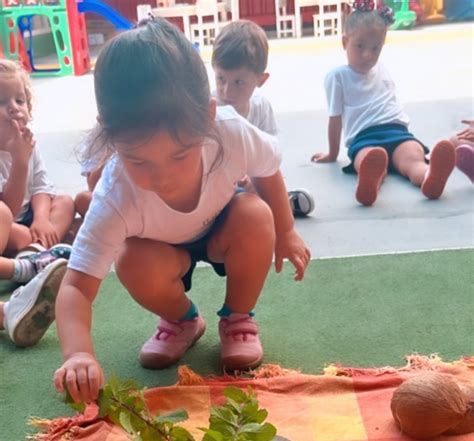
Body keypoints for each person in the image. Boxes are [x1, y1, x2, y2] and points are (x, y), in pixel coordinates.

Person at [53, 19, 310, 404]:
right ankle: (182, 320)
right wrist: (78, 354)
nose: (163, 177)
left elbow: (268, 169)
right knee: (130, 259)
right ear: (110, 136)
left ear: (208, 116)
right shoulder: (114, 195)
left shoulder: (231, 131)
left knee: (257, 216)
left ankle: (238, 317)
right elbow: (74, 286)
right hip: (159, 249)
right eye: (139, 161)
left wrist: (287, 231)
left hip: (225, 226)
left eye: (179, 155)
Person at [311, 0, 456, 206]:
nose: (367, 54)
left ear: (382, 46)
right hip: (364, 137)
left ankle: (429, 177)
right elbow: (335, 119)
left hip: (397, 132)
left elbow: (391, 104)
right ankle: (373, 178)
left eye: (375, 48)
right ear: (345, 42)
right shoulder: (337, 76)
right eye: (359, 45)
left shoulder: (382, 69)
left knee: (412, 159)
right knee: (368, 157)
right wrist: (332, 154)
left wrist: (334, 155)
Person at [212, 20, 315, 218]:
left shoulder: (261, 107)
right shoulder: (210, 108)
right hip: (217, 192)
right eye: (220, 78)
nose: (227, 90)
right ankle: (285, 204)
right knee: (245, 212)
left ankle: (282, 203)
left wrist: (255, 179)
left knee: (258, 201)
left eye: (239, 82)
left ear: (261, 80)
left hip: (253, 185)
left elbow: (272, 156)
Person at [0, 59, 75, 252]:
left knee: (65, 202)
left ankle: (40, 249)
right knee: (21, 235)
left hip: (28, 216)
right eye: (1, 102)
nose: (14, 108)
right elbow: (8, 210)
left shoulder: (28, 142)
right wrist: (20, 161)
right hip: (7, 224)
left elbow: (40, 187)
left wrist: (41, 219)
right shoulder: (20, 152)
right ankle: (44, 247)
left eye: (19, 100)